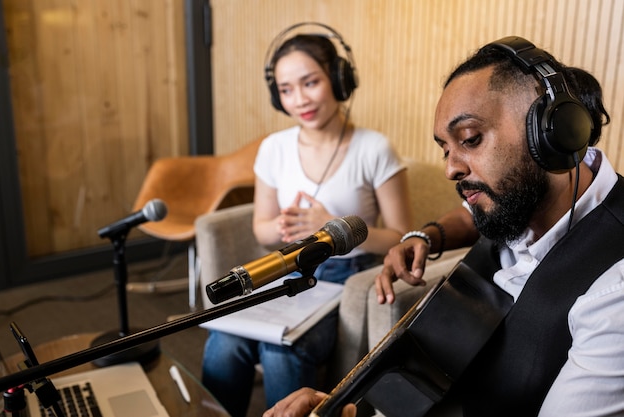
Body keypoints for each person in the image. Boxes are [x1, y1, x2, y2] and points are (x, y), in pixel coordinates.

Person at [264, 35, 623, 417]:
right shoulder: (518, 198)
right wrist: (426, 236)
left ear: (550, 134)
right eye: (446, 149)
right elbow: (471, 216)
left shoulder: (612, 293)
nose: (450, 168)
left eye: (469, 138)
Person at [201, 23, 412, 417]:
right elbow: (261, 229)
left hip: (346, 278)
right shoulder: (273, 148)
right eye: (286, 89)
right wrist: (285, 228)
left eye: (310, 82)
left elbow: (402, 236)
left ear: (337, 78)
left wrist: (331, 226)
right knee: (223, 340)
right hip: (291, 274)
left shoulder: (374, 148)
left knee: (280, 350)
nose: (300, 99)